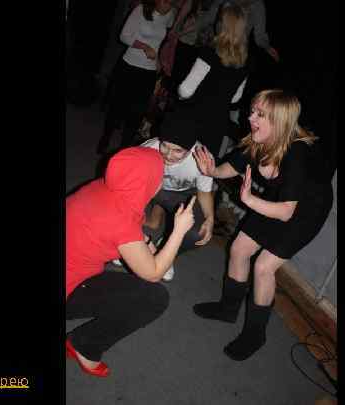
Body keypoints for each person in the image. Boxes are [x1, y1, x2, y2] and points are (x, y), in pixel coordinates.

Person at [192, 89, 333, 361]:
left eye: (260, 114)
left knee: (264, 266)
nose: (251, 118)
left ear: (279, 121)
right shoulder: (258, 140)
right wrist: (212, 171)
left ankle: (255, 335)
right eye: (252, 111)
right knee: (239, 249)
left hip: (307, 209)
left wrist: (249, 200)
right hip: (279, 199)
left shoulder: (296, 153)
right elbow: (233, 166)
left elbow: (286, 213)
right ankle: (227, 309)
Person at [66, 147, 196, 377]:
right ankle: (84, 345)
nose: (161, 181)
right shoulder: (122, 220)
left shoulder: (102, 187)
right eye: (159, 176)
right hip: (70, 287)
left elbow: (119, 227)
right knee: (154, 298)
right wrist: (179, 231)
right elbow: (154, 273)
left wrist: (145, 241)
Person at [162, 1, 250, 157]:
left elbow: (185, 90)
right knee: (201, 169)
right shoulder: (244, 65)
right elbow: (235, 99)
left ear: (221, 25)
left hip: (189, 122)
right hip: (215, 127)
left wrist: (180, 94)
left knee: (173, 164)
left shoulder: (209, 54)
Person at [139, 118, 216, 281]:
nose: (168, 155)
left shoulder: (202, 158)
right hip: (150, 188)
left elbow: (204, 192)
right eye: (165, 146)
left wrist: (210, 218)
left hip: (183, 195)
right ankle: (130, 247)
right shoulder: (149, 148)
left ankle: (166, 251)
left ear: (190, 149)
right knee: (124, 209)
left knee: (198, 233)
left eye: (177, 151)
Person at [97, 0, 176, 155]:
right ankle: (105, 137)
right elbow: (124, 36)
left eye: (171, 3)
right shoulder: (141, 9)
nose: (168, 6)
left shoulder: (170, 15)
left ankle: (125, 150)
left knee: (137, 113)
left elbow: (166, 39)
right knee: (117, 107)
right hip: (129, 66)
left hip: (149, 71)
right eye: (165, 2)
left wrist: (160, 58)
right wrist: (145, 47)